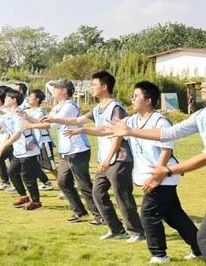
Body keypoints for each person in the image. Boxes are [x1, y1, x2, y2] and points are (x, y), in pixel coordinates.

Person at [94, 81, 199, 263]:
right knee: (175, 216)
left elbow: (166, 150)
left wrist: (156, 177)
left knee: (149, 214)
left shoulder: (160, 120)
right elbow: (107, 130)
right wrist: (80, 130)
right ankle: (200, 249)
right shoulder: (132, 120)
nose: (132, 99)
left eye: (136, 96)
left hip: (163, 177)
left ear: (148, 100)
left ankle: (159, 255)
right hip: (153, 177)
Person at [48, 71, 145, 242]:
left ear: (105, 86)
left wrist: (108, 159)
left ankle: (137, 232)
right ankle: (116, 229)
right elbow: (79, 121)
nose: (91, 88)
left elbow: (118, 135)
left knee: (122, 196)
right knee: (97, 193)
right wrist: (62, 122)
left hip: (120, 159)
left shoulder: (116, 108)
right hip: (105, 159)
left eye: (94, 85)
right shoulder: (98, 108)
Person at [23, 79, 102, 224]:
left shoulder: (70, 106)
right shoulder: (58, 106)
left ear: (64, 90)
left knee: (84, 184)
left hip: (78, 150)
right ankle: (80, 212)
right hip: (65, 150)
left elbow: (53, 123)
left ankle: (99, 215)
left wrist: (30, 124)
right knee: (63, 182)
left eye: (56, 88)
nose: (53, 91)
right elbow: (45, 121)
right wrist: (27, 117)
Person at [0, 89, 43, 210]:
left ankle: (36, 202)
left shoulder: (19, 114)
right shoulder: (8, 115)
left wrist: (4, 145)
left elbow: (18, 133)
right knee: (12, 172)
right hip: (19, 151)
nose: (4, 100)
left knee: (27, 176)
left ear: (14, 100)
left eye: (7, 98)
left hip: (28, 150)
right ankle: (24, 197)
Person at [25, 89, 55, 191]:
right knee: (36, 164)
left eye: (31, 97)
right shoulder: (28, 110)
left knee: (50, 166)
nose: (28, 98)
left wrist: (27, 118)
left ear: (37, 99)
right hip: (35, 142)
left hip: (44, 141)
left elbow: (40, 123)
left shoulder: (40, 111)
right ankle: (47, 183)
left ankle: (65, 184)